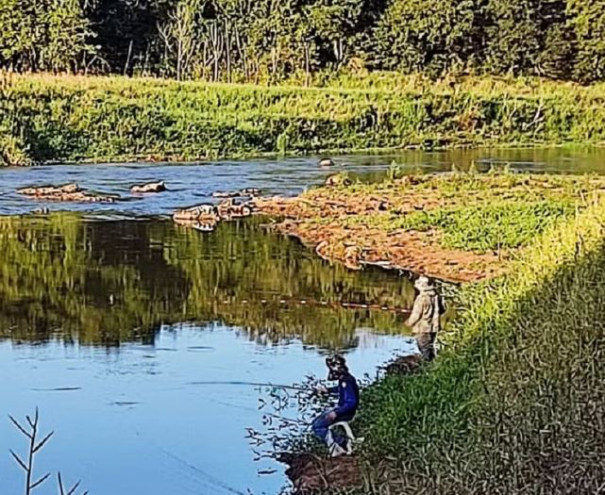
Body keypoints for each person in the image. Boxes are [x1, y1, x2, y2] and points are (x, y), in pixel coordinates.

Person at [312, 354, 359, 457]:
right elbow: (340, 390)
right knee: (317, 423)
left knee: (318, 425)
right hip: (342, 410)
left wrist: (336, 412)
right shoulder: (345, 379)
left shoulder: (346, 381)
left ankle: (339, 444)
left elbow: (351, 402)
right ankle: (339, 444)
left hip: (345, 413)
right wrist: (327, 391)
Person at [405, 275, 446, 361]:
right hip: (434, 328)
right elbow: (442, 310)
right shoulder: (436, 297)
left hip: (422, 328)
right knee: (430, 348)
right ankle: (434, 366)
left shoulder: (421, 298)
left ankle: (428, 367)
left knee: (424, 349)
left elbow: (416, 315)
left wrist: (409, 322)